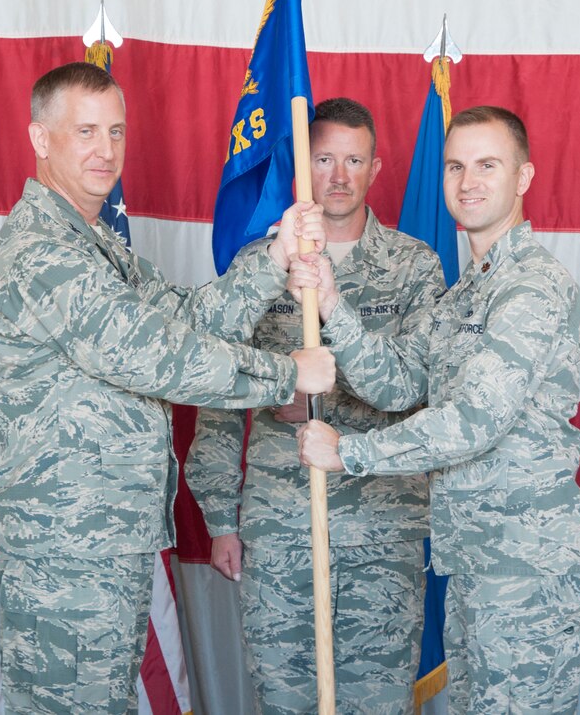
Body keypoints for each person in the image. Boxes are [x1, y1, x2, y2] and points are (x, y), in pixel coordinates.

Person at [0, 61, 335, 713]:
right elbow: (157, 357)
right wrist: (287, 374)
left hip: (104, 532)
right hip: (66, 536)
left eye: (115, 131)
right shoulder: (41, 252)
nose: (105, 149)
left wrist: (274, 259)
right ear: (39, 137)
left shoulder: (97, 250)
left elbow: (187, 317)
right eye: (84, 131)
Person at [296, 106, 580, 714]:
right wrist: (334, 309)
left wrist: (348, 452)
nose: (468, 182)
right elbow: (400, 381)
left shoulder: (531, 288)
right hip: (476, 557)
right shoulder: (467, 292)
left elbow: (475, 422)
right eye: (456, 166)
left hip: (525, 563)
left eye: (488, 165)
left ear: (524, 177)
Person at [184, 98, 445, 714]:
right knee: (286, 697)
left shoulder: (415, 267)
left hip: (384, 526)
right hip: (280, 521)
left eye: (354, 160)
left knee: (377, 700)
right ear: (304, 166)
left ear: (376, 168)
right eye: (324, 158)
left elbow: (418, 389)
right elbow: (218, 397)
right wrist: (221, 515)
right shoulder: (262, 265)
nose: (338, 175)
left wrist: (321, 396)